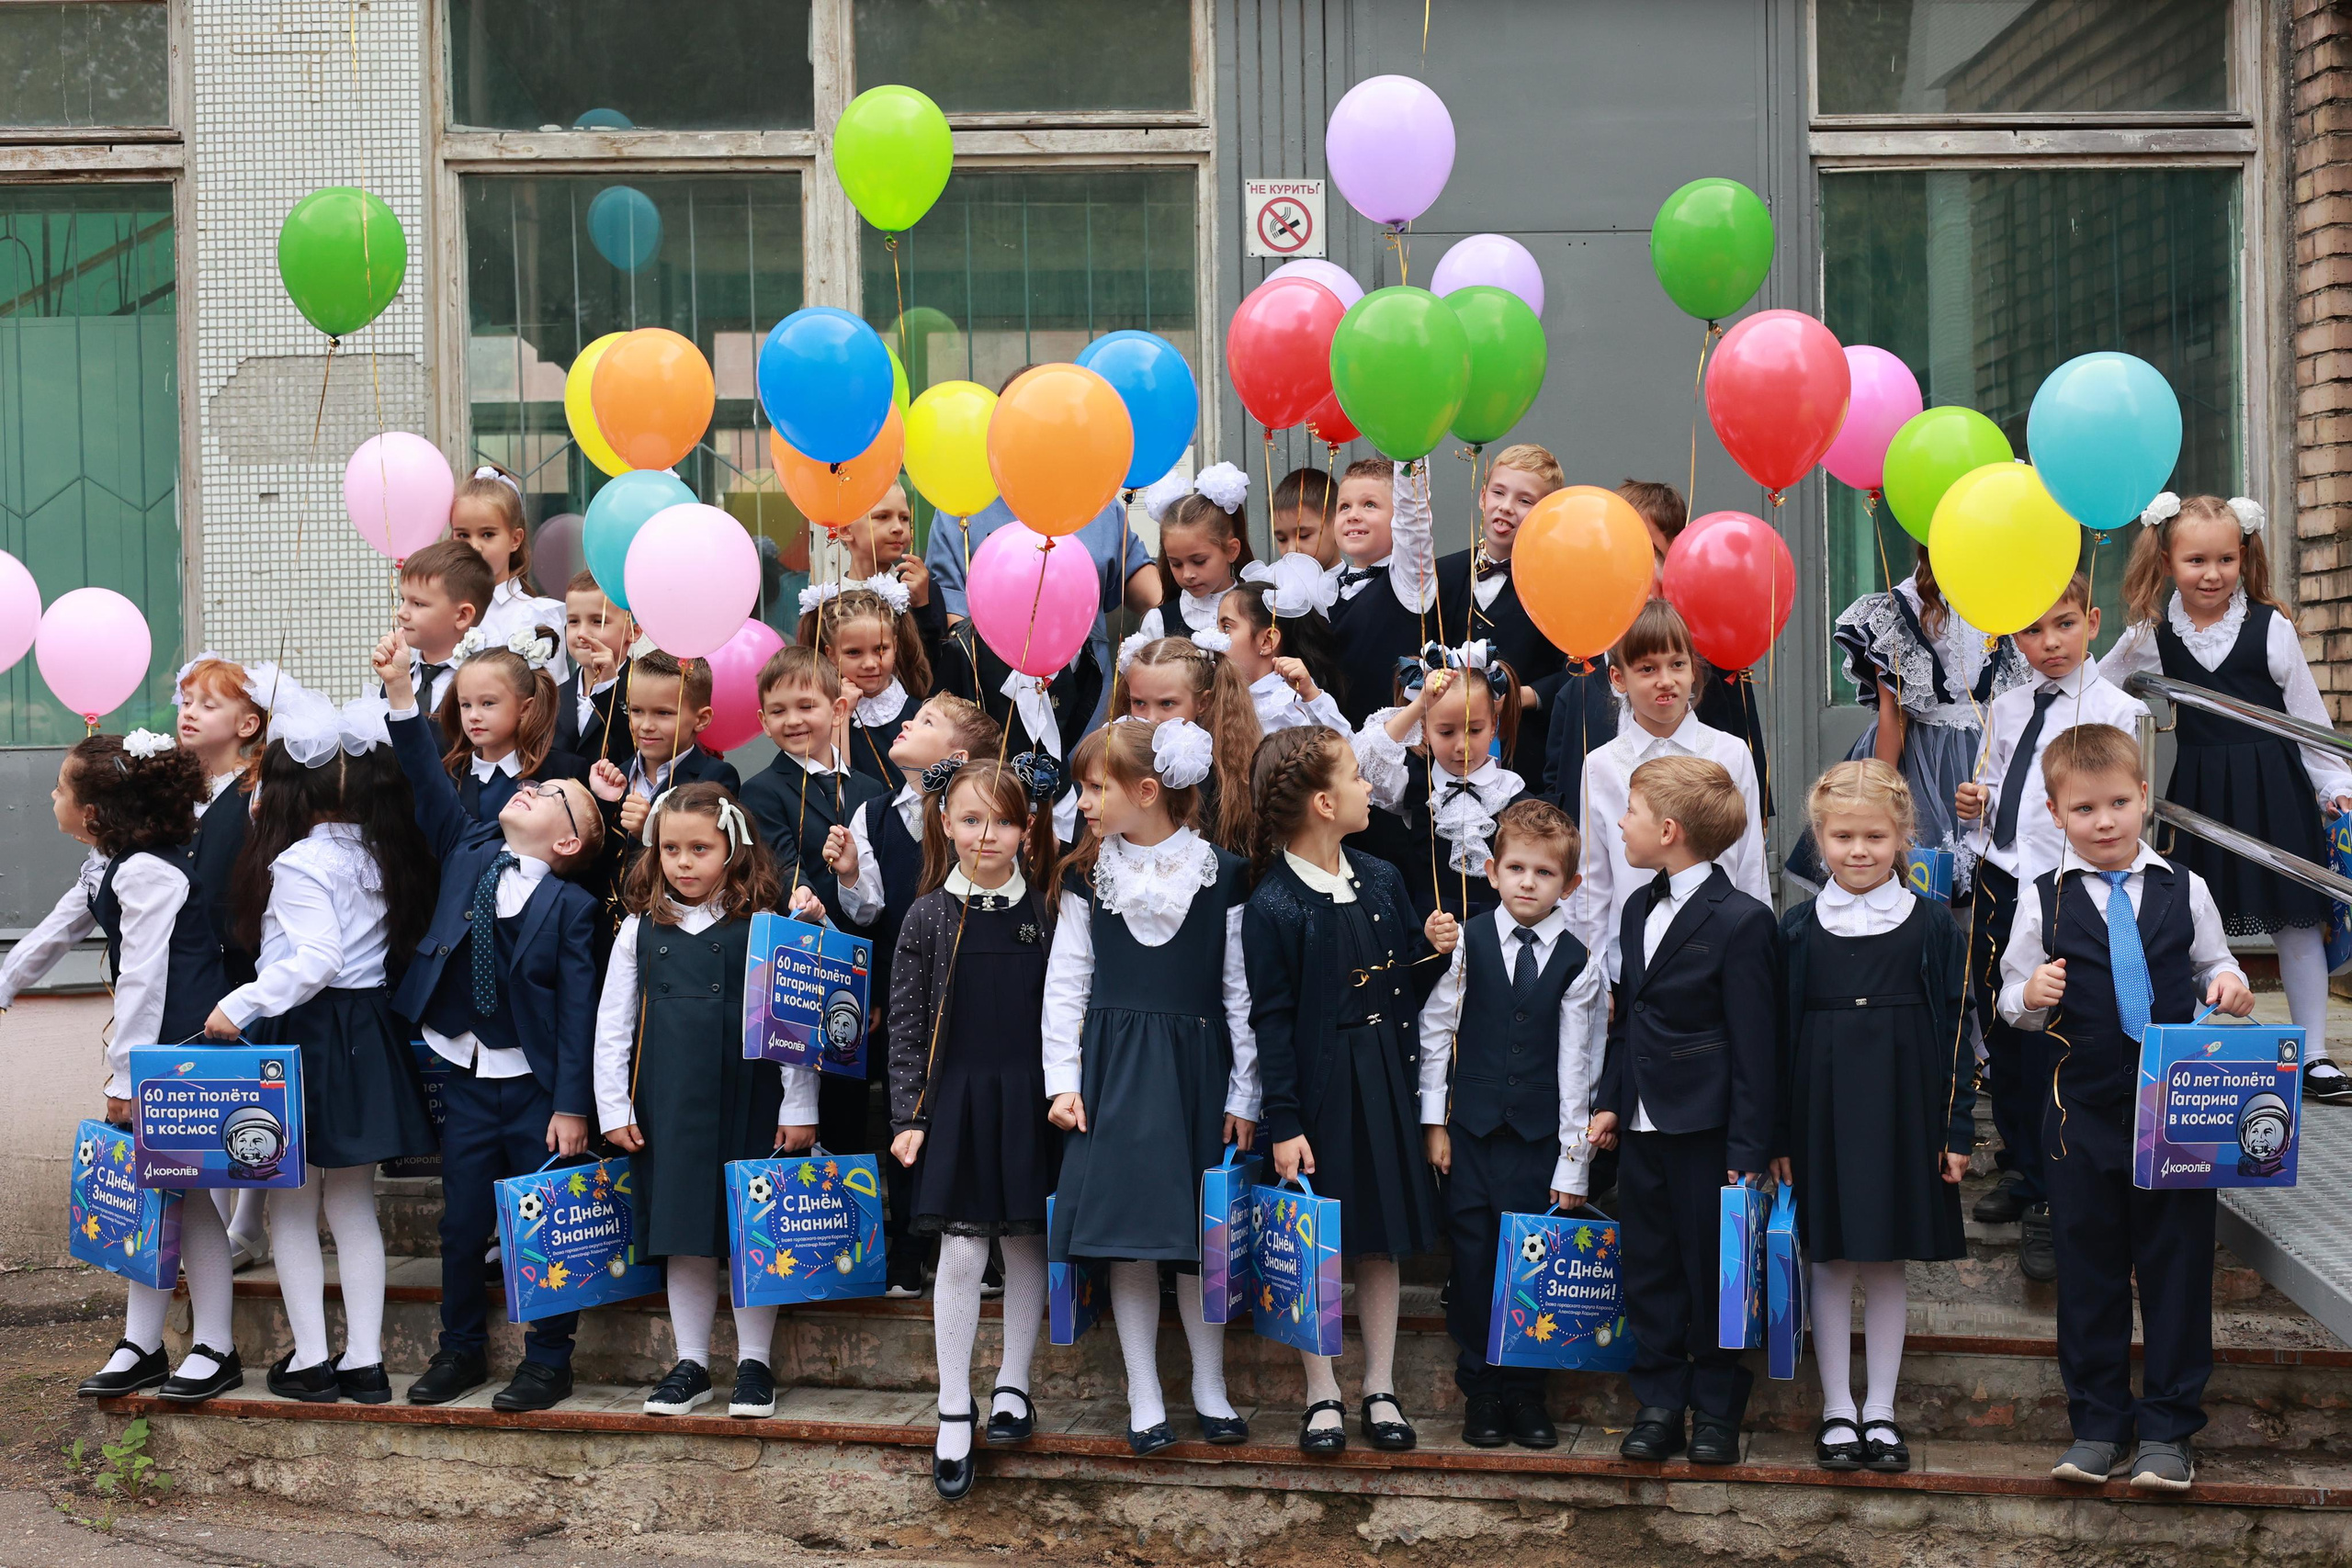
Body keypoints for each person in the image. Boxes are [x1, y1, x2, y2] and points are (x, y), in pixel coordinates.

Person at [1997, 722, 2256, 1494]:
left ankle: (2170, 1429)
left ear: (2144, 797)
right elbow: (2010, 996)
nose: (2104, 821)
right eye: (2084, 809)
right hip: (2079, 1117)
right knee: (2089, 1270)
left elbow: (2220, 964)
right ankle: (2098, 1423)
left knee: (2176, 1268)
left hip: (2177, 1116)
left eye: (2117, 802)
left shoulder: (2188, 887)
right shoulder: (2041, 895)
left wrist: (2232, 987)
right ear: (2055, 813)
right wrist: (2028, 996)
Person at [378, 636, 606, 1413]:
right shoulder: (467, 846)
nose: (529, 792)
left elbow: (579, 1013)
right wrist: (402, 697)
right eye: (529, 790)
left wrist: (573, 1104)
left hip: (537, 1086)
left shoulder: (573, 908)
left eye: (549, 798)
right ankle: (460, 1348)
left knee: (544, 1220)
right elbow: (422, 776)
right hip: (466, 1072)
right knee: (461, 1221)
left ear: (569, 841)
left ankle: (548, 1358)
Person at [204, 691, 438, 1406]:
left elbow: (316, 959)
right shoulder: (379, 854)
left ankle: (312, 1358)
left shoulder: (301, 861)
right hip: (365, 1031)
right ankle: (365, 1362)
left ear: (292, 791)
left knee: (293, 1206)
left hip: (307, 1032)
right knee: (355, 1203)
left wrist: (237, 1003)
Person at [0, 732, 242, 1403]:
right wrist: (6, 981)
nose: (51, 796)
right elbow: (57, 928)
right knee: (150, 1196)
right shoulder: (110, 863)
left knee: (187, 1198)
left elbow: (143, 980)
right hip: (158, 1053)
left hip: (183, 1053)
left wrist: (127, 1079)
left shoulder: (148, 872)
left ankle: (216, 1345)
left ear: (95, 810)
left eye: (60, 787)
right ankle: (142, 1343)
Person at [1044, 719, 1259, 1455]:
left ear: (1146, 791)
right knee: (1129, 1238)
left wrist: (1244, 1092)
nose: (1083, 801)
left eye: (1094, 786)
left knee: (1200, 1237)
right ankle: (1143, 1389)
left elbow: (1240, 993)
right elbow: (1066, 984)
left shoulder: (1221, 871)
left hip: (1196, 1068)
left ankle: (1209, 1383)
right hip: (1113, 1072)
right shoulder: (1084, 872)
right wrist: (1062, 1080)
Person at [2100, 491, 2352, 1107]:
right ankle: (2192, 1044)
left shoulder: (2272, 627)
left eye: (2225, 559)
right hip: (2202, 790)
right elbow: (2101, 688)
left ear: (2244, 558)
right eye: (2195, 561)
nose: (2211, 574)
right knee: (2187, 918)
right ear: (2165, 561)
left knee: (2295, 919)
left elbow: (2307, 718)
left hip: (2276, 789)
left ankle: (2314, 1052)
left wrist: (2336, 787)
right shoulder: (2152, 634)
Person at [1245, 726, 1454, 1455]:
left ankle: (1380, 1384)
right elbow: (1270, 1018)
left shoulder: (1383, 878)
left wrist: (1433, 950)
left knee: (1380, 1241)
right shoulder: (1273, 903)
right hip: (1320, 1091)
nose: (1372, 787)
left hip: (1384, 1081)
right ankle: (1321, 1388)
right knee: (1318, 1242)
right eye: (1360, 778)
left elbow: (1401, 981)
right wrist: (1284, 1121)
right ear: (1327, 802)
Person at [595, 784, 815, 1421]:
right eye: (671, 849)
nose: (684, 862)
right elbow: (613, 1024)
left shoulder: (766, 928)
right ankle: (691, 1362)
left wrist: (798, 1104)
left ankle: (754, 1363)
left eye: (700, 848)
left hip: (749, 1096)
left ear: (733, 850)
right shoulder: (639, 929)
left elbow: (791, 1028)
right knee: (686, 1233)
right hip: (669, 1104)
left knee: (752, 1228)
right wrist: (615, 1106)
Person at [1776, 761, 1971, 1475]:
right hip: (1820, 1107)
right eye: (1843, 837)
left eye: (1875, 837)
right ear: (1819, 838)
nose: (1859, 851)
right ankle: (1836, 1408)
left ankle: (1881, 1409)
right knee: (1828, 1258)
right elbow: (1777, 1036)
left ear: (1903, 838)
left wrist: (1956, 1129)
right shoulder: (1795, 930)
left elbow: (1957, 1026)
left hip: (1904, 1105)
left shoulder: (1930, 926)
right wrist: (1777, 1136)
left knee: (1885, 1260)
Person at [1587, 754, 1779, 1467]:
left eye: (1630, 811)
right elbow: (1631, 1020)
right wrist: (1611, 1102)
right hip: (1641, 1128)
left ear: (1667, 829)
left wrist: (1749, 1150)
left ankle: (1719, 1407)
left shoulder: (1742, 921)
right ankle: (1661, 1399)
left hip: (1709, 1133)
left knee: (1713, 1273)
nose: (1620, 823)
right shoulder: (1637, 908)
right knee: (1650, 1266)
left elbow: (1757, 1046)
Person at [1952, 574, 2146, 1280]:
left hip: (2066, 888)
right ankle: (2022, 1164)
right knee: (2002, 1029)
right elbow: (2001, 790)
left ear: (2093, 621)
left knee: (2052, 1034)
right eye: (2033, 631)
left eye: (2064, 624)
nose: (2050, 643)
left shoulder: (2113, 708)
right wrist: (1975, 802)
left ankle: (2055, 1178)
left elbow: (2111, 801)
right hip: (2002, 878)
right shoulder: (2006, 707)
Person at [885, 760, 1061, 1499]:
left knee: (1025, 1240)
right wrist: (908, 1114)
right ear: (945, 823)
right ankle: (954, 1403)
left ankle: (1014, 1385)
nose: (984, 835)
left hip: (1029, 1097)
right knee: (960, 1249)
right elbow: (903, 1022)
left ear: (1026, 829)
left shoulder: (1047, 913)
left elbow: (1066, 1009)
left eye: (1001, 820)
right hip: (954, 1098)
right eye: (968, 819)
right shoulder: (928, 914)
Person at [1416, 798, 1607, 1451]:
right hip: (1469, 1136)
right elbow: (1436, 1030)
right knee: (1472, 1258)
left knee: (1532, 1264)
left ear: (1570, 884)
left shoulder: (1580, 962)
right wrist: (1434, 1122)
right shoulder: (1465, 943)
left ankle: (1527, 1390)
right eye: (1517, 867)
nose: (1528, 882)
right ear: (1492, 871)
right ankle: (1482, 1389)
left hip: (1537, 1146)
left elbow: (1579, 1068)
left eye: (1545, 872)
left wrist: (1572, 1161)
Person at [831, 693, 1005, 1297]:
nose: (905, 721)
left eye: (925, 720)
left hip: (976, 987)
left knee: (968, 1111)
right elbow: (868, 907)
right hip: (908, 989)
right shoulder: (874, 813)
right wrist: (851, 871)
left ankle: (974, 1245)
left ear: (955, 756)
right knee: (910, 1111)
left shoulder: (981, 815)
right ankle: (908, 1247)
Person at [1568, 603, 1770, 979]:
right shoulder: (1601, 765)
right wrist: (1593, 973)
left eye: (1677, 664)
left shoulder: (1730, 753)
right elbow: (1593, 880)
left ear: (1693, 669)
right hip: (1631, 962)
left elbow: (1750, 865)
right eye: (1647, 668)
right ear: (1618, 677)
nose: (1665, 680)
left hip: (1718, 959)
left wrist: (1756, 958)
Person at [1824, 540, 2025, 895]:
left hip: (1987, 757)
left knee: (1988, 890)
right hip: (1920, 758)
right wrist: (1878, 800)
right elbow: (1892, 713)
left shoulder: (2006, 598)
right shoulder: (1903, 605)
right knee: (1916, 882)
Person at [172, 655, 277, 1270]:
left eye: (208, 705)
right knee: (207, 1098)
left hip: (246, 965)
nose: (190, 713)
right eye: (186, 702)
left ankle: (247, 1222)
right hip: (196, 965)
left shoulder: (257, 791)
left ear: (248, 723)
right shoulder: (184, 793)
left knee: (247, 1100)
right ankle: (215, 1227)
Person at [1351, 646, 1527, 923]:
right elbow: (1361, 760)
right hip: (1429, 931)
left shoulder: (1513, 795)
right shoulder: (1416, 786)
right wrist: (1418, 706)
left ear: (1494, 725)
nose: (1461, 746)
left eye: (1475, 730)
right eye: (1446, 732)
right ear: (1424, 728)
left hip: (1497, 933)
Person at [1435, 445, 1569, 773]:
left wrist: (1522, 697)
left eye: (1525, 501)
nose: (1507, 507)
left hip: (1527, 760)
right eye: (1499, 492)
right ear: (1482, 497)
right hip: (1444, 762)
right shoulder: (1441, 575)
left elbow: (1576, 672)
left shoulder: (1559, 586)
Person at [739, 645, 887, 926]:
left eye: (806, 706)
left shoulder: (870, 789)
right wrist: (800, 891)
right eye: (778, 711)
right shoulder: (761, 791)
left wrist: (852, 873)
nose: (793, 720)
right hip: (801, 949)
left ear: (838, 710)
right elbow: (778, 861)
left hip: (868, 951)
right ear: (765, 722)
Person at [586, 649, 742, 893]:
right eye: (636, 711)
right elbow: (593, 862)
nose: (646, 726)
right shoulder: (617, 774)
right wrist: (602, 802)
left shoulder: (715, 778)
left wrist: (649, 830)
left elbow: (713, 865)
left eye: (663, 713)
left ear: (701, 719)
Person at [1110, 634, 1261, 855]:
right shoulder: (1113, 758)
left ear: (1203, 703)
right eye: (1139, 703)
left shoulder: (1227, 776)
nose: (1152, 718)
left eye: (1167, 703)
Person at [435, 629, 591, 822]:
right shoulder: (448, 775)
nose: (473, 716)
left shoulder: (566, 772)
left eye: (488, 703)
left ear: (525, 707)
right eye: (466, 705)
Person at [1327, 458, 1437, 729]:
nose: (1353, 514)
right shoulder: (1327, 587)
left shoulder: (1408, 581)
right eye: (1344, 506)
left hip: (1398, 750)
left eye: (1370, 504)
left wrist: (1408, 451)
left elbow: (1414, 518)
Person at [798, 578, 933, 787]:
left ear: (895, 646)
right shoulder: (820, 719)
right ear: (831, 655)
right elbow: (834, 787)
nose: (870, 663)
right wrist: (841, 716)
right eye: (854, 653)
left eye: (880, 649)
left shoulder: (923, 714)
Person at [451, 463, 570, 681]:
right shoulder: (441, 612)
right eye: (463, 535)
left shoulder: (536, 617)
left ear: (515, 539)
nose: (474, 546)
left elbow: (551, 701)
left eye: (487, 534)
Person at [1222, 555, 1349, 732]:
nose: (1214, 636)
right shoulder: (1225, 696)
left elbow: (1339, 751)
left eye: (1226, 627)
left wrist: (1311, 696)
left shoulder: (1290, 703)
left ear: (1267, 641)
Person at [1135, 463, 1255, 641]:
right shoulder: (1158, 622)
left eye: (1199, 561)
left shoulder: (1259, 610)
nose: (1188, 574)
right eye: (1176, 563)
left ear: (1232, 550)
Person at [841, 479, 947, 668]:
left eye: (904, 518)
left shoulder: (919, 588)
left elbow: (936, 664)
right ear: (845, 529)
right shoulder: (828, 599)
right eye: (882, 516)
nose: (898, 527)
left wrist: (922, 607)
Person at [390, 539, 496, 715]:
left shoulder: (482, 686)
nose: (402, 612)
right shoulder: (396, 677)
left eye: (418, 604)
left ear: (462, 616)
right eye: (403, 600)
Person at [554, 570, 636, 765]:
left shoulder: (645, 691)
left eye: (597, 621)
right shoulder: (554, 696)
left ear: (633, 632)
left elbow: (637, 753)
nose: (582, 633)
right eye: (573, 621)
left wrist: (608, 687)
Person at [1271, 465, 1343, 570]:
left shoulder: (1362, 585)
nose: (1291, 550)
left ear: (1336, 525)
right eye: (1282, 539)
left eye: (1303, 536)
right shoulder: (1275, 583)